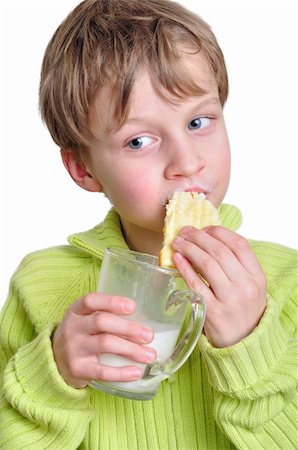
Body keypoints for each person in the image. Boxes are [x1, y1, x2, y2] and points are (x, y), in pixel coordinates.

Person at [0, 0, 297, 448]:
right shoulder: (40, 285)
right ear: (83, 168)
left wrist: (250, 346)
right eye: (139, 140)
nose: (186, 161)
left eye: (199, 121)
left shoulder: (284, 281)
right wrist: (52, 375)